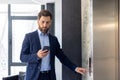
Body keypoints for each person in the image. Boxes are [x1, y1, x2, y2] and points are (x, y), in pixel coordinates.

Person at [20, 10, 86, 80]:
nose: (45, 25)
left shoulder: (53, 39)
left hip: (49, 76)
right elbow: (22, 57)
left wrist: (75, 68)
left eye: (47, 22)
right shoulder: (29, 37)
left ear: (50, 22)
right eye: (43, 22)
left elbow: (62, 57)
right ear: (38, 21)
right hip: (33, 77)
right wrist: (36, 56)